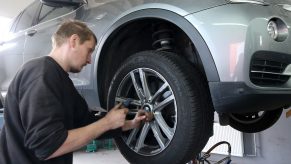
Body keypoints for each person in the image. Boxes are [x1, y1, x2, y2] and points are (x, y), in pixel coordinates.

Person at [0, 20, 146, 164]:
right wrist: (107, 122)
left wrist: (131, 123)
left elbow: (85, 124)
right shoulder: (41, 73)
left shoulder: (62, 81)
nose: (90, 60)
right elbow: (47, 146)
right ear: (74, 41)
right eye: (89, 50)